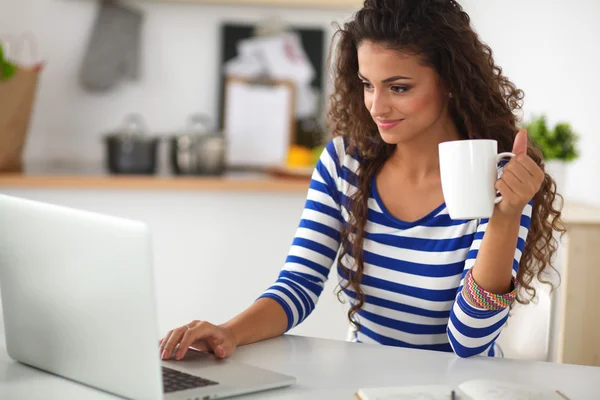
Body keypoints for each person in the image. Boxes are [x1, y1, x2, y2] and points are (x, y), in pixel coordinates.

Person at [159, 0, 564, 360]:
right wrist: (229, 332)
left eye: (399, 87)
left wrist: (506, 216)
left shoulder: (501, 180)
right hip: (363, 383)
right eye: (367, 85)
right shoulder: (344, 164)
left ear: (450, 83)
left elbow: (469, 341)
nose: (376, 105)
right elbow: (299, 284)